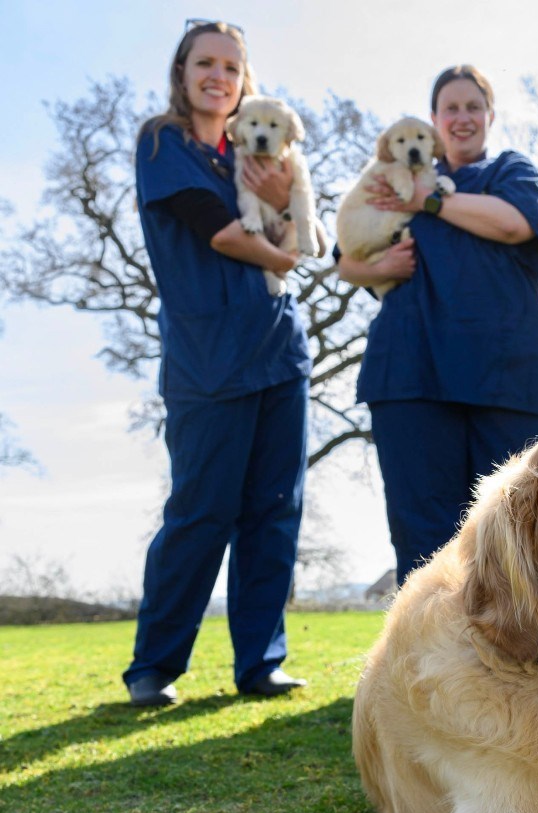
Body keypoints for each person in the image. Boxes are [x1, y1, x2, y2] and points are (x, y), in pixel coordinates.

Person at [124, 20, 313, 706]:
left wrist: (287, 213)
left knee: (275, 511)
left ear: (245, 81)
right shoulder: (162, 143)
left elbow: (294, 222)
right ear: (183, 72)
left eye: (231, 67)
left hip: (280, 353)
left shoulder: (256, 153)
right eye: (205, 63)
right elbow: (225, 233)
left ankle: (261, 663)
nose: (218, 76)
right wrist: (284, 250)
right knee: (201, 511)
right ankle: (155, 665)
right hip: (207, 360)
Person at [337, 66, 538, 586]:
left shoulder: (509, 171)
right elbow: (345, 255)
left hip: (503, 379)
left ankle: (528, 660)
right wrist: (374, 269)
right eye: (450, 108)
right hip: (410, 375)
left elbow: (514, 223)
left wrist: (428, 200)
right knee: (423, 536)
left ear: (489, 116)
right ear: (433, 122)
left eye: (472, 107)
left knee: (518, 531)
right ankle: (431, 663)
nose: (462, 118)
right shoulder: (391, 179)